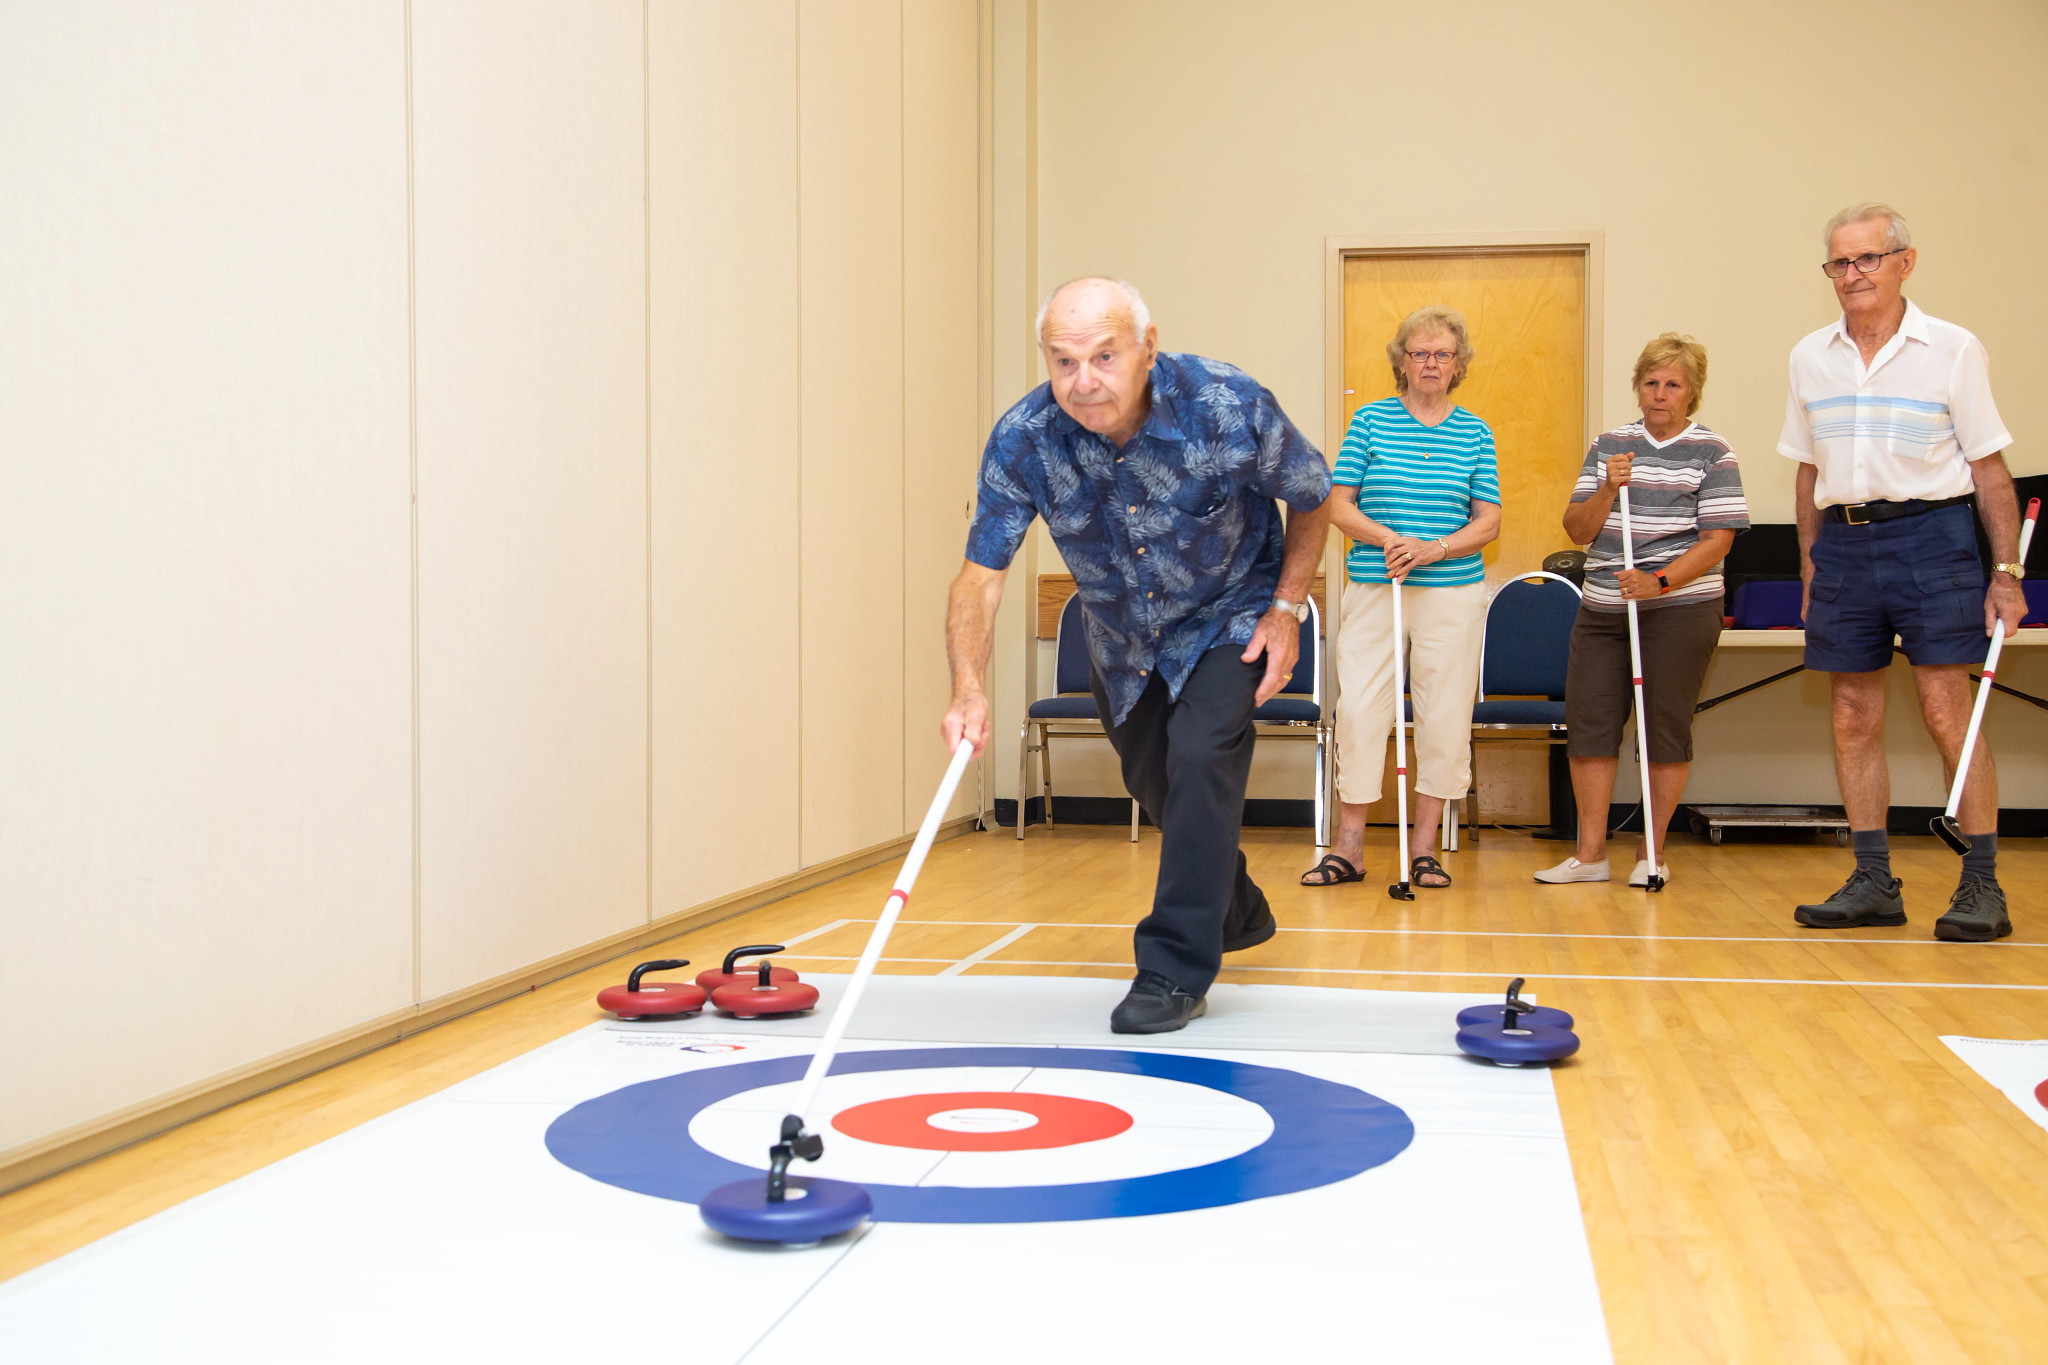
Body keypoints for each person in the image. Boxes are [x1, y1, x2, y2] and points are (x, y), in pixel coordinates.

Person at [942, 278, 1333, 1032]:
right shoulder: (1025, 438)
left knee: (1201, 754)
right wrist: (968, 686)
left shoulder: (1225, 403)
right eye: (1063, 362)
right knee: (1159, 783)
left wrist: (1286, 609)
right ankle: (1235, 905)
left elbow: (1313, 494)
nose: (1083, 381)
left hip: (1230, 615)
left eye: (1104, 356)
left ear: (1147, 349)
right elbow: (980, 576)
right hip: (1122, 639)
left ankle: (1172, 970)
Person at [1780, 203, 2026, 941]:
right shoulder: (1809, 356)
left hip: (1934, 538)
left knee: (1949, 710)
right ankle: (1873, 880)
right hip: (1844, 545)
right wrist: (1809, 565)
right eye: (1839, 262)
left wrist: (2006, 573)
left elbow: (1989, 470)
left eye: (1868, 259)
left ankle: (1981, 882)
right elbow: (1807, 472)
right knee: (1852, 714)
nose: (1852, 274)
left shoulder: (1952, 348)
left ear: (1904, 263)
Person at [1534, 334, 1748, 887]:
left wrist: (1659, 581)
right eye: (1651, 382)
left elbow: (1718, 540)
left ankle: (1652, 853)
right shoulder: (1610, 445)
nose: (1660, 394)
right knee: (1590, 726)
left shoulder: (1713, 452)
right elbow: (1577, 529)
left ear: (1692, 391)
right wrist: (1608, 488)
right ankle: (1590, 855)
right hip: (1604, 608)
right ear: (1638, 387)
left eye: (1673, 384)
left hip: (1680, 607)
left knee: (1663, 730)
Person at [1302, 306, 1499, 891]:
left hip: (1451, 592)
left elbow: (1488, 521)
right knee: (1360, 712)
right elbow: (1338, 505)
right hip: (1375, 585)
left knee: (1445, 715)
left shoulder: (1475, 432)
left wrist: (1434, 548)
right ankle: (1349, 849)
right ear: (1402, 361)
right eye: (1420, 353)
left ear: (1458, 364)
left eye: (1443, 354)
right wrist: (1389, 538)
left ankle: (1424, 851)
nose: (1431, 363)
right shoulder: (1370, 421)